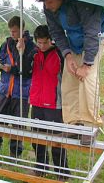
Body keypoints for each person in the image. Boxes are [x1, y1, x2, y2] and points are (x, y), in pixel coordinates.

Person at [36, 0, 104, 144]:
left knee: (86, 78)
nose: (47, 6)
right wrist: (67, 56)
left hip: (95, 39)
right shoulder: (48, 7)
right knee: (69, 81)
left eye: (50, 2)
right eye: (45, 3)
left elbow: (92, 33)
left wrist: (87, 64)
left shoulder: (84, 2)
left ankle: (90, 127)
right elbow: (56, 32)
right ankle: (73, 125)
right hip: (74, 43)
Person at [21, 25, 70, 180]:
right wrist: (21, 53)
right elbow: (23, 70)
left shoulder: (59, 55)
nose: (42, 46)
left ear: (51, 40)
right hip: (36, 102)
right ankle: (41, 168)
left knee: (56, 140)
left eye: (45, 42)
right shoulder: (33, 53)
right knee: (37, 139)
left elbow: (67, 79)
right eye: (39, 43)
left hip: (54, 104)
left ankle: (62, 172)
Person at [0, 16, 35, 157]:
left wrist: (13, 67)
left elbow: (29, 71)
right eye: (11, 31)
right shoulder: (5, 45)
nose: (12, 34)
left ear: (22, 30)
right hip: (4, 90)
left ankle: (15, 155)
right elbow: (0, 60)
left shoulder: (31, 47)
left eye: (15, 31)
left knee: (18, 126)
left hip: (21, 92)